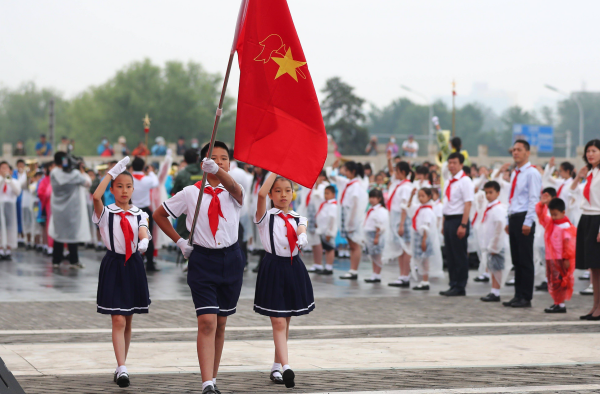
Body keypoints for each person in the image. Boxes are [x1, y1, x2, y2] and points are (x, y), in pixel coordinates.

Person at [153, 141, 245, 394]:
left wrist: (219, 171)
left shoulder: (234, 191)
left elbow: (235, 188)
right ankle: (206, 384)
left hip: (232, 260)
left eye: (223, 158)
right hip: (203, 261)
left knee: (221, 323)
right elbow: (159, 215)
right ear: (203, 162)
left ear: (229, 163)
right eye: (213, 158)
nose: (219, 161)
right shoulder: (191, 192)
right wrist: (180, 241)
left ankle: (213, 379)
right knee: (206, 321)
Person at [92, 157, 151, 388]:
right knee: (117, 318)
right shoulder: (106, 212)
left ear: (133, 189)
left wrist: (144, 241)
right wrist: (111, 172)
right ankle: (123, 368)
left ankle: (120, 366)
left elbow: (143, 230)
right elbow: (95, 196)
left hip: (133, 264)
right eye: (119, 186)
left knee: (127, 318)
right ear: (112, 189)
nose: (124, 190)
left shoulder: (140, 213)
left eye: (128, 186)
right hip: (114, 264)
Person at [253, 172, 313, 389]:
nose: (283, 195)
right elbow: (260, 194)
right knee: (278, 320)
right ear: (271, 194)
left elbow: (301, 227)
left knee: (285, 320)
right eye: (277, 191)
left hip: (292, 267)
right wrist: (274, 169)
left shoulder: (298, 216)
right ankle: (286, 367)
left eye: (287, 190)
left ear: (293, 193)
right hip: (273, 268)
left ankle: (277, 365)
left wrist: (303, 235)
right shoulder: (265, 217)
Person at [503, 140, 542, 308]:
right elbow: (512, 199)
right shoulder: (515, 173)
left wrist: (528, 221)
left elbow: (534, 199)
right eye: (514, 150)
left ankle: (526, 296)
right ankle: (518, 294)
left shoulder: (532, 173)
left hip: (525, 217)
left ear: (527, 152)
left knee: (525, 259)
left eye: (519, 150)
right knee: (516, 259)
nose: (515, 153)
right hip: (514, 217)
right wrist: (508, 219)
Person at [49, 152, 92, 268]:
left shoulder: (53, 173)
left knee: (59, 234)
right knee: (72, 235)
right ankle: (74, 260)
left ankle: (56, 260)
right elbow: (88, 183)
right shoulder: (76, 175)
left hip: (58, 209)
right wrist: (81, 170)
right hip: (72, 210)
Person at [440, 152, 474, 297]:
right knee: (450, 254)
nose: (451, 165)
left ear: (461, 164)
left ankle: (460, 286)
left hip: (459, 220)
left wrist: (463, 225)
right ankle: (453, 283)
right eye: (450, 162)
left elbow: (468, 204)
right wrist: (443, 223)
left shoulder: (465, 181)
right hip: (448, 219)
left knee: (459, 254)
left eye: (454, 162)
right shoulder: (449, 181)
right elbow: (446, 203)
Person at [573, 139, 600, 320]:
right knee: (593, 267)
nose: (590, 154)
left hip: (598, 218)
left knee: (599, 266)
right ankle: (595, 306)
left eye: (594, 150)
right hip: (587, 218)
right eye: (588, 151)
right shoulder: (591, 173)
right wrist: (578, 177)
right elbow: (571, 194)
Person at [536, 197, 576, 313]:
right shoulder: (551, 223)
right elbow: (541, 217)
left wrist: (567, 258)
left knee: (560, 281)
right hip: (551, 258)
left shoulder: (566, 227)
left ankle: (561, 304)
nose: (553, 217)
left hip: (560, 259)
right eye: (551, 214)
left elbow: (569, 245)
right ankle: (557, 302)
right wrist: (541, 205)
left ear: (563, 212)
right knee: (553, 281)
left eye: (555, 214)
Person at [330, 160, 367, 280]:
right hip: (346, 216)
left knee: (354, 244)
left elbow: (356, 206)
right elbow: (333, 177)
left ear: (352, 171)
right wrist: (333, 168)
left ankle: (353, 270)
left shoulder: (356, 186)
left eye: (345, 170)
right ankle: (352, 269)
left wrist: (351, 223)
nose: (343, 172)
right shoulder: (348, 183)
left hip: (352, 218)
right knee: (351, 244)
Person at [479, 181, 510, 302]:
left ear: (498, 193)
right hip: (491, 243)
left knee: (497, 268)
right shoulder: (490, 207)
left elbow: (499, 227)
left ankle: (496, 292)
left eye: (491, 192)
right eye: (486, 193)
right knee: (492, 267)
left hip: (497, 244)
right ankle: (493, 290)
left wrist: (494, 245)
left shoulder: (498, 209)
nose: (488, 195)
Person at [385, 161, 414, 287]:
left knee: (406, 248)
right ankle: (402, 275)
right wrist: (389, 159)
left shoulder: (406, 187)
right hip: (396, 219)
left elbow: (404, 207)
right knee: (400, 248)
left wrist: (402, 224)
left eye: (397, 171)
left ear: (402, 172)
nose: (394, 173)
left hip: (403, 219)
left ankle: (405, 275)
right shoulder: (399, 185)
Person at [130, 157, 159, 272]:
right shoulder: (147, 179)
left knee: (133, 236)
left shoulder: (129, 179)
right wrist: (151, 171)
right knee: (147, 237)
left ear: (132, 167)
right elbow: (156, 182)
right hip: (145, 212)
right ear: (143, 167)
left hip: (131, 210)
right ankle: (150, 264)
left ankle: (135, 261)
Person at [411, 188, 443, 290]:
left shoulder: (428, 210)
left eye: (423, 196)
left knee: (425, 259)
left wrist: (424, 240)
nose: (420, 198)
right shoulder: (420, 208)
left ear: (429, 197)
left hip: (424, 237)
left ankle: (425, 280)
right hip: (419, 236)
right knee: (422, 259)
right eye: (419, 196)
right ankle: (424, 279)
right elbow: (408, 208)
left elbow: (426, 226)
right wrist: (411, 196)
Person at [304, 172, 329, 273]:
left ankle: (320, 264)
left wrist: (318, 185)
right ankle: (316, 263)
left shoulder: (324, 187)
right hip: (310, 214)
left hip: (318, 215)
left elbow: (321, 198)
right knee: (313, 240)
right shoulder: (312, 186)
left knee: (317, 240)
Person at [363, 189, 389, 283]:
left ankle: (377, 274)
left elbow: (380, 224)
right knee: (373, 256)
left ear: (379, 198)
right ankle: (374, 274)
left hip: (376, 235)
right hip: (370, 235)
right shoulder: (370, 209)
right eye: (370, 197)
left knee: (378, 256)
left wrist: (377, 237)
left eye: (374, 197)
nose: (371, 199)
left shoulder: (381, 210)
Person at [0, 162, 21, 260]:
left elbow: (17, 192)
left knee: (10, 227)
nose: (4, 169)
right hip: (0, 205)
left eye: (6, 168)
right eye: (2, 168)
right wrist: (3, 180)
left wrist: (9, 181)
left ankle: (8, 249)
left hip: (10, 206)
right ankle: (0, 249)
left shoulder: (14, 181)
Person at [315, 185, 337, 275]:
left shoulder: (333, 206)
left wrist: (329, 232)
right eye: (325, 193)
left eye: (328, 193)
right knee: (326, 249)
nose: (325, 195)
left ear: (333, 194)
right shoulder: (326, 203)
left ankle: (329, 267)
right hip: (323, 229)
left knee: (330, 248)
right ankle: (326, 266)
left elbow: (332, 219)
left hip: (328, 231)